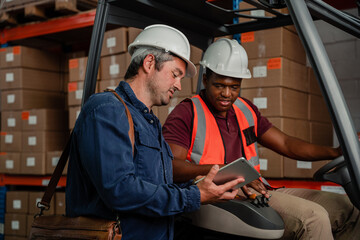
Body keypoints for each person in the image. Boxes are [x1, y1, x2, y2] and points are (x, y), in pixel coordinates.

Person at [162, 38, 360, 240]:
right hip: (219, 199)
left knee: (348, 208)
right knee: (314, 218)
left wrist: (335, 152)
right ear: (205, 80)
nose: (227, 94)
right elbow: (170, 167)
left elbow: (286, 144)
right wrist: (222, 169)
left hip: (259, 191)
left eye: (235, 87)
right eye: (219, 85)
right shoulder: (187, 112)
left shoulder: (246, 110)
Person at [65, 25, 245, 240]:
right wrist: (193, 196)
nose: (179, 85)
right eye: (175, 74)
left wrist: (203, 184)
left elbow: (157, 184)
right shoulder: (107, 110)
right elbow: (120, 190)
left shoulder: (149, 121)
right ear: (149, 63)